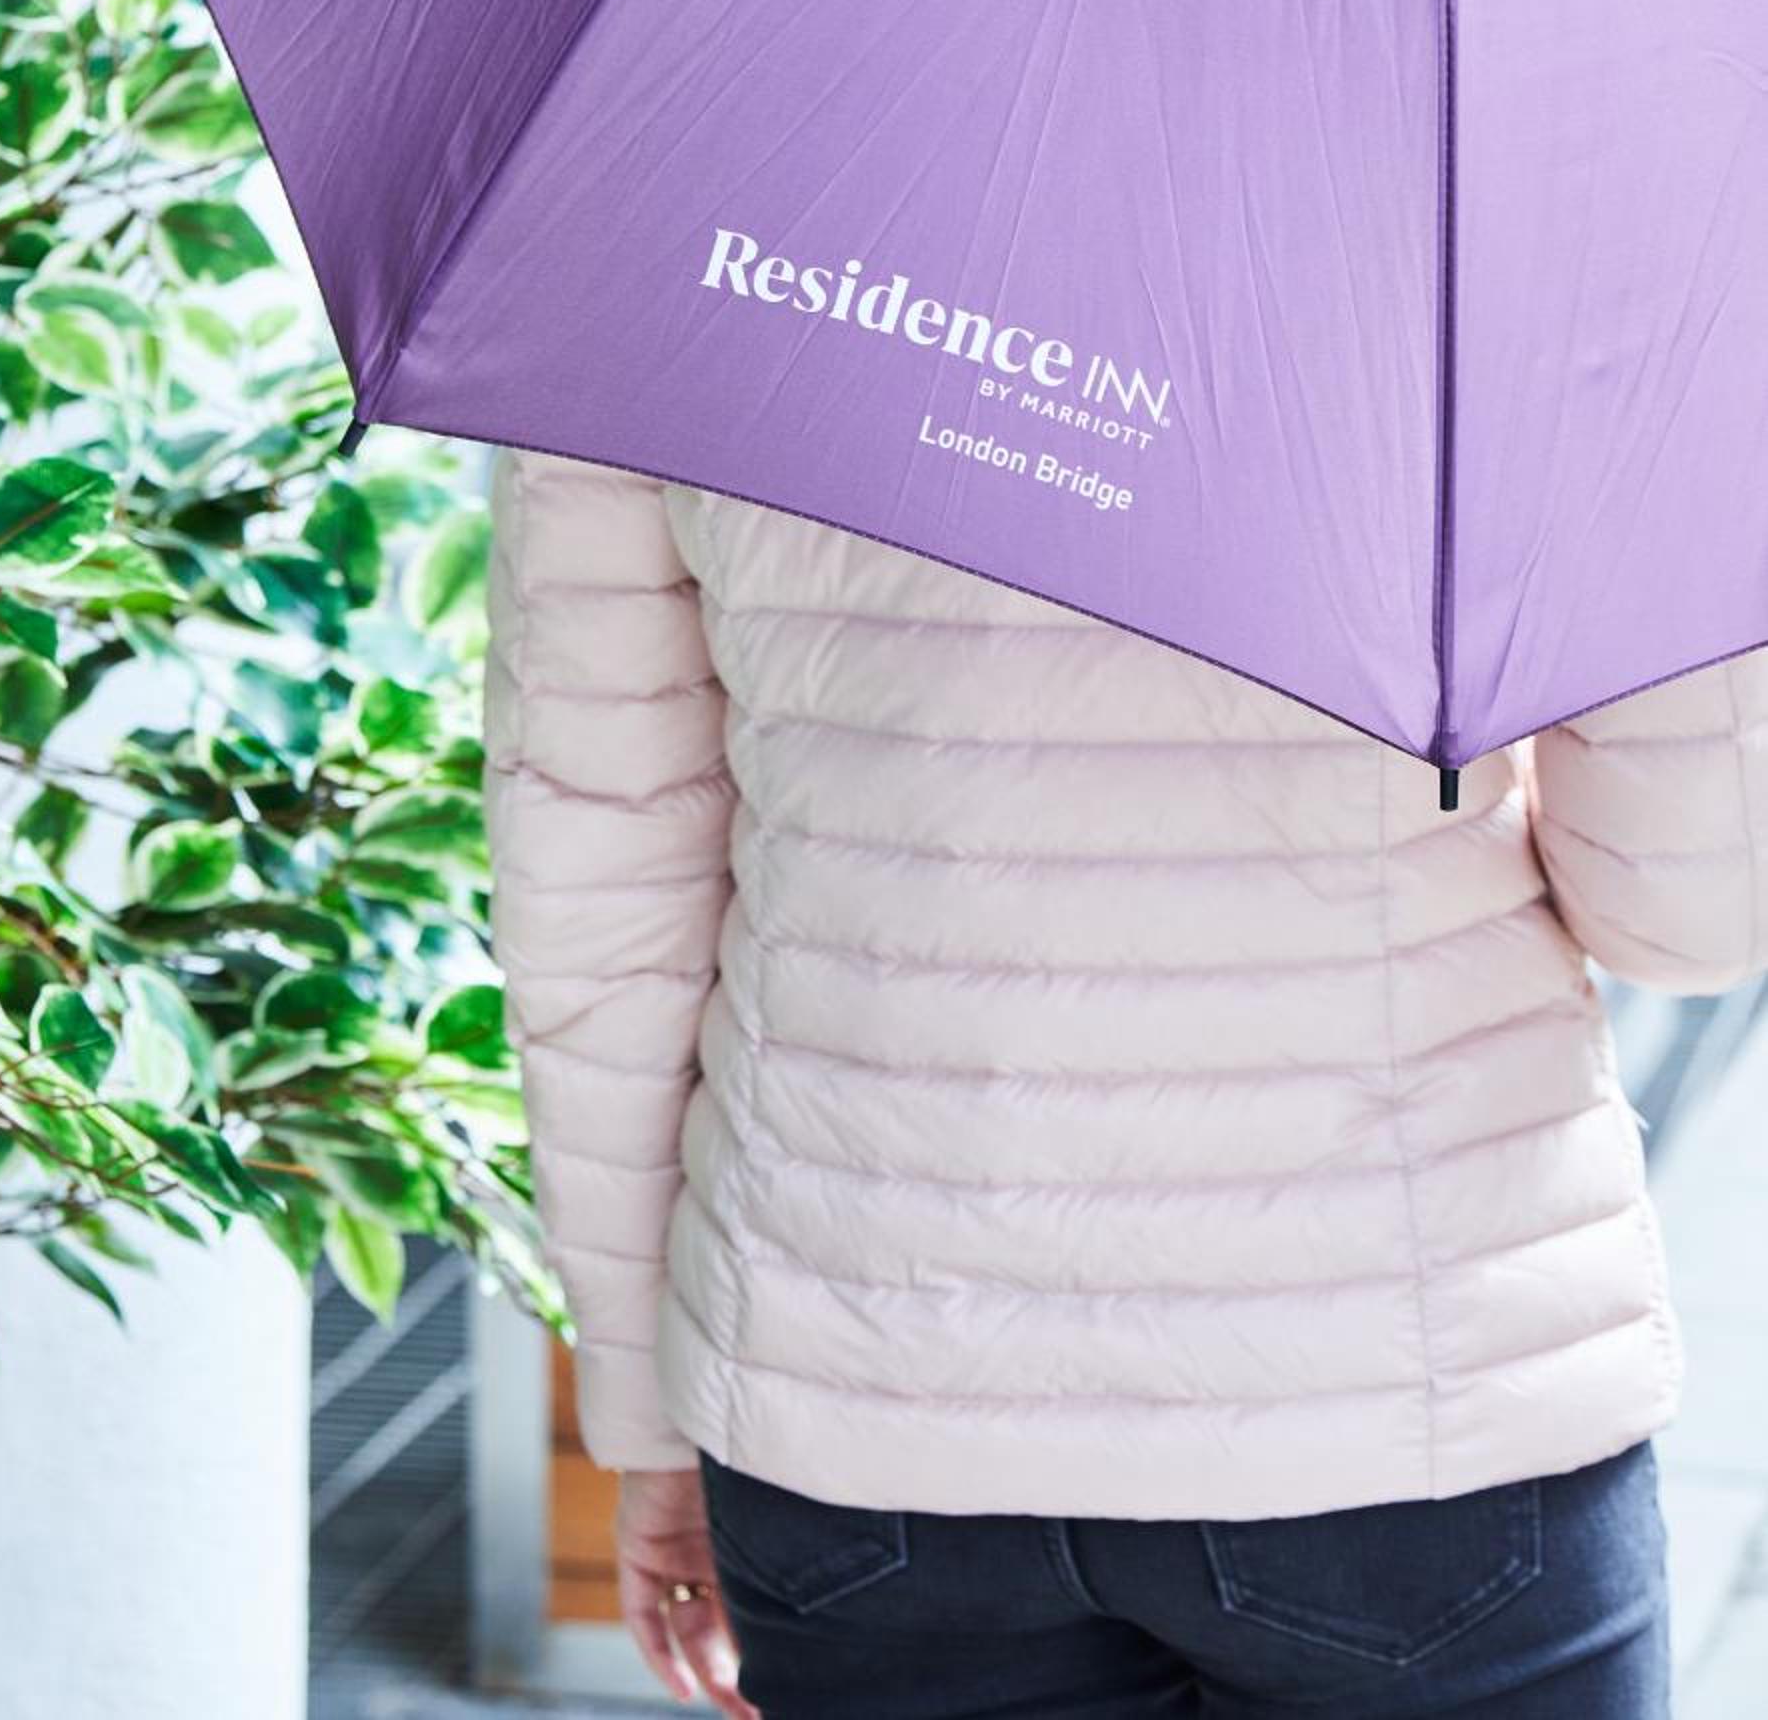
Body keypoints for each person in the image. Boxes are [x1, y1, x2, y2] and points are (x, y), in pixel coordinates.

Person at [479, 439, 1768, 1718]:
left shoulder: (630, 302)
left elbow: (598, 898)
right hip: (1410, 1387)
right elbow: (1689, 923)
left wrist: (646, 1413)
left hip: (861, 1396)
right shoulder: (1553, 318)